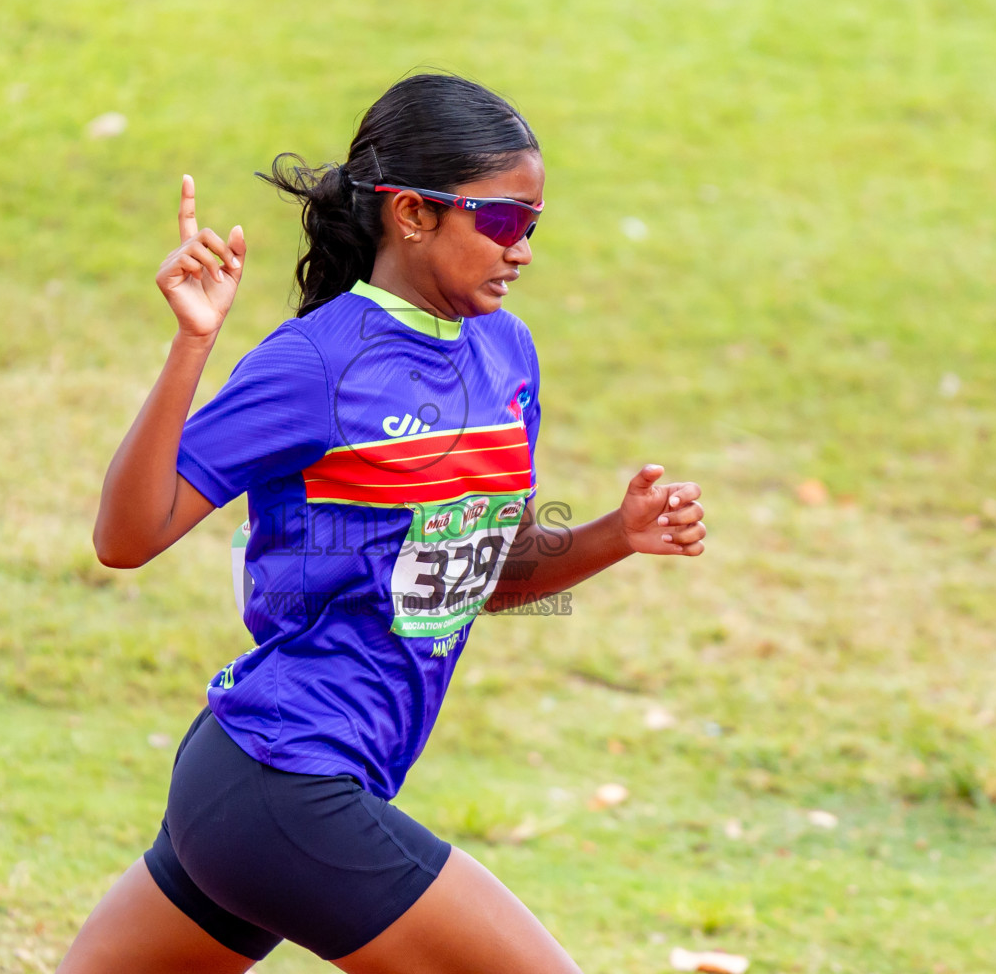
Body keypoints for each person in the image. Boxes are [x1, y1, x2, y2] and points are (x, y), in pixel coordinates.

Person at [63, 74, 706, 974]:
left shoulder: (506, 353)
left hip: (276, 788)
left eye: (533, 223)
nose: (522, 249)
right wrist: (192, 346)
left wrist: (616, 535)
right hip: (281, 780)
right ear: (411, 213)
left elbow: (478, 577)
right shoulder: (316, 364)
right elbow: (126, 539)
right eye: (501, 220)